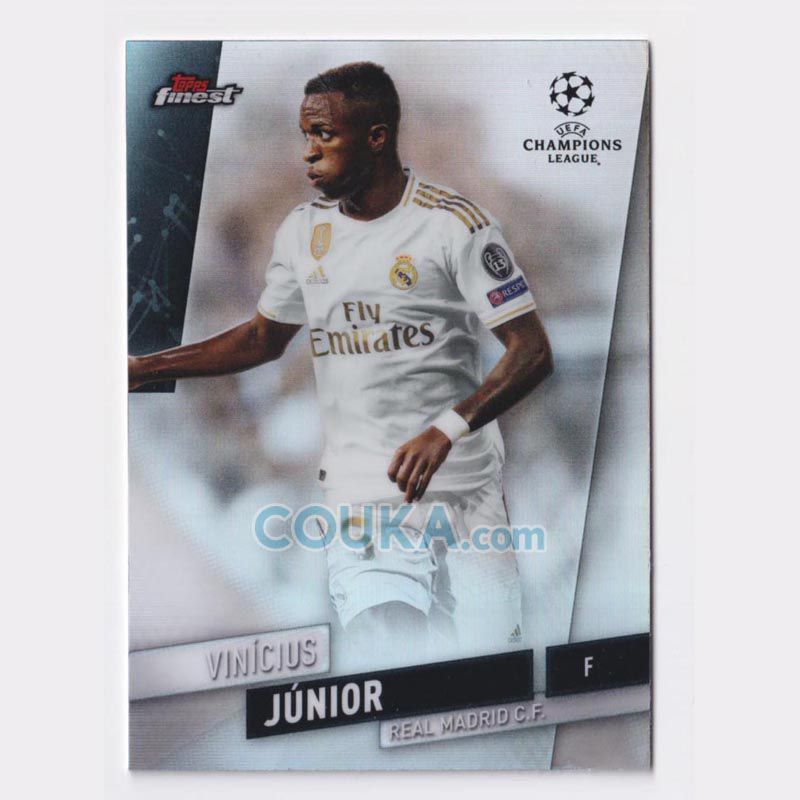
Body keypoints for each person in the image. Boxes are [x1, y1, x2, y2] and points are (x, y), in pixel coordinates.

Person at [129, 61, 553, 658]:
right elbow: (259, 340)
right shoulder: (302, 235)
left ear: (378, 138)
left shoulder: (459, 226)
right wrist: (145, 369)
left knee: (485, 659)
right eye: (306, 137)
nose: (310, 153)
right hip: (354, 505)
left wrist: (448, 429)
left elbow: (532, 349)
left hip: (465, 497)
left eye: (323, 136)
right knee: (382, 645)